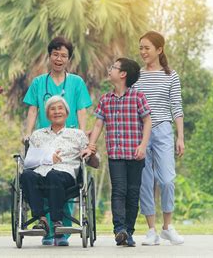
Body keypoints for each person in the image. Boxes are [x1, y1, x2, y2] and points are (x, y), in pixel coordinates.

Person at [23, 36, 93, 246]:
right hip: (44, 138)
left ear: (68, 59)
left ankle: (61, 231)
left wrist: (80, 135)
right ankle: (47, 230)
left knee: (61, 176)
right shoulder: (38, 82)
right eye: (56, 54)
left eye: (64, 55)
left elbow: (81, 109)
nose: (59, 59)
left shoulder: (76, 82)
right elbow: (33, 109)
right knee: (39, 174)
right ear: (50, 55)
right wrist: (28, 133)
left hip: (68, 140)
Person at [85, 58, 152, 247]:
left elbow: (148, 122)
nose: (110, 69)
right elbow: (98, 124)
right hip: (115, 155)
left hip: (135, 154)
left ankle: (128, 232)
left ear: (123, 74)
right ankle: (119, 229)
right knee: (119, 191)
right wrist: (91, 144)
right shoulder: (106, 99)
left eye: (113, 67)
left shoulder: (138, 97)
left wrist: (143, 145)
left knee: (132, 193)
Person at [133, 31, 185, 245]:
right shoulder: (136, 75)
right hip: (139, 131)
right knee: (145, 182)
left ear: (159, 49)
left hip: (163, 129)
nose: (143, 52)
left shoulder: (170, 75)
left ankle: (167, 226)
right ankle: (152, 230)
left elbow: (177, 107)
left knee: (166, 179)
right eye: (141, 48)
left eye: (147, 48)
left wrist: (180, 137)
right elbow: (131, 104)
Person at [20, 96, 90, 243]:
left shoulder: (77, 134)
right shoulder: (37, 135)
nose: (56, 112)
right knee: (26, 176)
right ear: (47, 114)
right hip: (40, 174)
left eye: (60, 108)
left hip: (65, 175)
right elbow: (29, 161)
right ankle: (42, 219)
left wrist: (91, 153)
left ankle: (57, 222)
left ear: (67, 113)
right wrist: (47, 158)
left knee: (54, 175)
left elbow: (93, 161)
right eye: (52, 109)